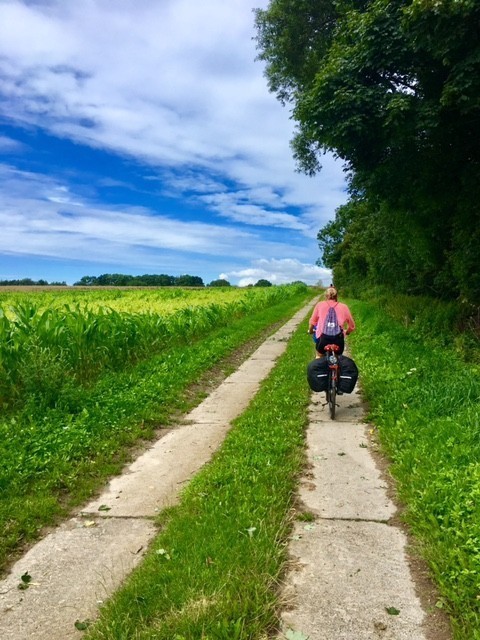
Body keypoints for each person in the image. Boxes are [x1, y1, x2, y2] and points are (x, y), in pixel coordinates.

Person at [308, 286, 355, 357]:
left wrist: (311, 330)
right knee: (338, 358)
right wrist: (347, 332)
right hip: (338, 340)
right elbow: (351, 326)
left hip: (322, 339)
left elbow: (313, 322)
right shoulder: (344, 307)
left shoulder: (319, 305)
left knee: (319, 356)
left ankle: (319, 360)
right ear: (337, 296)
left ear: (325, 296)